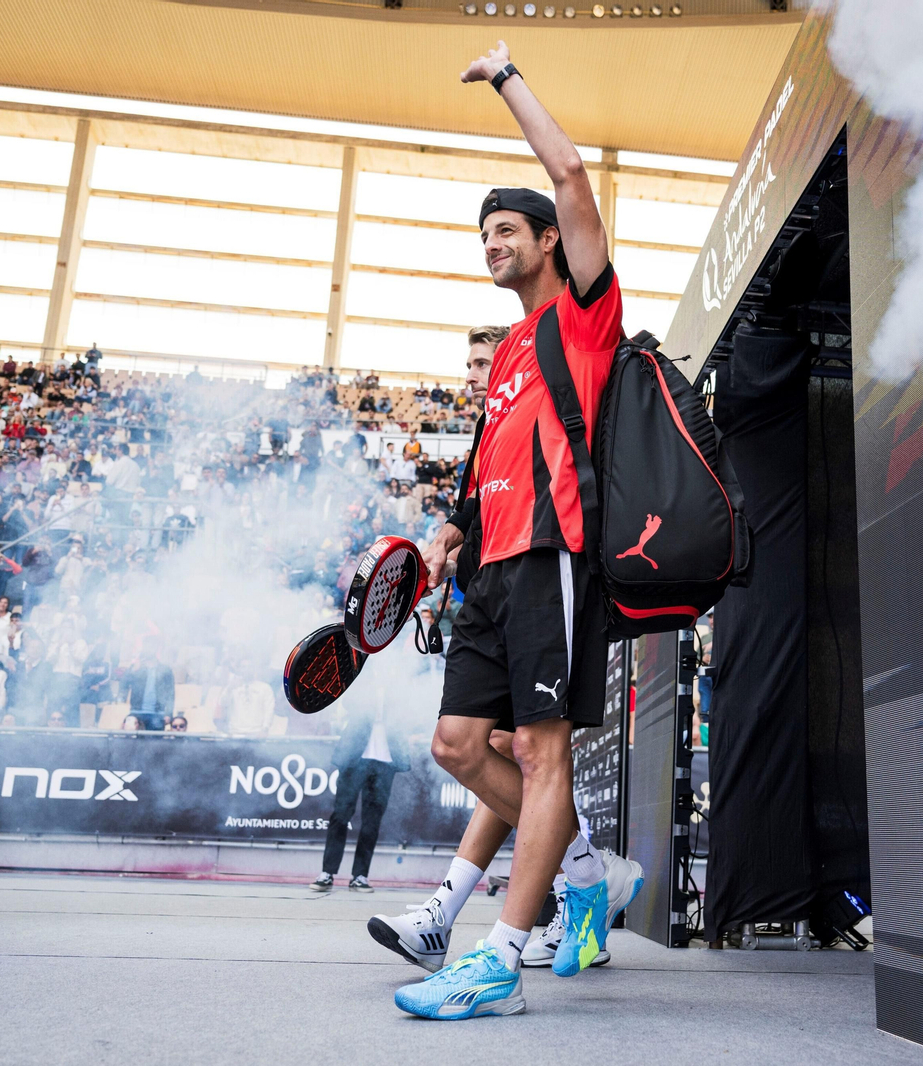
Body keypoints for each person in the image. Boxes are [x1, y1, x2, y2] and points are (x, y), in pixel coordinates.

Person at [392, 42, 640, 1022]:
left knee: (541, 755)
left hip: (554, 557)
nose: (490, 244)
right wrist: (451, 531)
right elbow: (490, 458)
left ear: (547, 241)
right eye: (483, 234)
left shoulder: (584, 314)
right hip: (488, 572)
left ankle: (498, 956)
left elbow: (571, 174)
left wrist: (505, 78)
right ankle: (584, 873)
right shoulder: (501, 356)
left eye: (506, 231)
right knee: (458, 744)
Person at [310, 699, 410, 894]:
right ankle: (327, 872)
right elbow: (348, 702)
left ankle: (360, 875)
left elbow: (408, 709)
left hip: (385, 761)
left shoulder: (397, 687)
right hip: (354, 756)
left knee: (372, 822)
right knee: (340, 815)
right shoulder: (362, 682)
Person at [123, 649, 175, 731]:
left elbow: (170, 693)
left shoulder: (165, 670)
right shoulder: (137, 668)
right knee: (133, 738)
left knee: (155, 739)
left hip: (158, 713)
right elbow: (124, 684)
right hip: (136, 712)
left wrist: (168, 713)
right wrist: (132, 669)